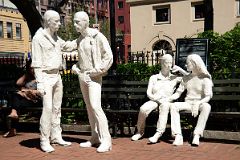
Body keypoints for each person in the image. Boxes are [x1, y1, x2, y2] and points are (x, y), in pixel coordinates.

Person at [71, 11, 113, 153]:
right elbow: (82, 59)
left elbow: (109, 57)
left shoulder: (97, 36)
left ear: (86, 22)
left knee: (96, 106)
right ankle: (95, 136)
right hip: (83, 76)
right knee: (89, 107)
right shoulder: (79, 40)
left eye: (77, 22)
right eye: (74, 21)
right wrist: (76, 67)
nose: (74, 24)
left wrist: (97, 71)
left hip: (94, 77)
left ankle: (106, 140)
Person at [31, 10, 71, 153]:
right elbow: (36, 63)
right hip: (46, 77)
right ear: (48, 22)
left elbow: (66, 46)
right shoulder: (38, 38)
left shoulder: (55, 37)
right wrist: (40, 83)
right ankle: (44, 140)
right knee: (47, 109)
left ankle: (56, 136)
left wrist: (81, 38)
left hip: (57, 76)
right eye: (57, 21)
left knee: (56, 108)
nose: (59, 24)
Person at [131, 54, 188, 143]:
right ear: (161, 63)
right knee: (143, 109)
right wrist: (154, 98)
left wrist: (181, 70)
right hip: (154, 100)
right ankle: (139, 131)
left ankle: (158, 133)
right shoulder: (154, 78)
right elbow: (148, 92)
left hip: (166, 100)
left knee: (165, 107)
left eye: (171, 62)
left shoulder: (175, 78)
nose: (169, 65)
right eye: (167, 62)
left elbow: (190, 78)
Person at [169, 54, 213, 146]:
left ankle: (197, 134)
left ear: (194, 64)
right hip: (188, 103)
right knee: (173, 106)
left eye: (187, 63)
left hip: (200, 103)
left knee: (207, 106)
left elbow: (208, 97)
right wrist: (168, 98)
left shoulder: (205, 79)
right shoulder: (186, 78)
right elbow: (178, 93)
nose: (185, 65)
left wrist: (198, 103)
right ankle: (178, 135)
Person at [3, 59, 42, 138]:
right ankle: (14, 113)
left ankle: (12, 128)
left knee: (16, 102)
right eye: (30, 68)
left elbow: (39, 92)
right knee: (16, 98)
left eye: (34, 68)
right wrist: (26, 74)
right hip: (26, 99)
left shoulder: (41, 78)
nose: (32, 70)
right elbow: (18, 83)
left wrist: (25, 91)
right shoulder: (28, 77)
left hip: (35, 100)